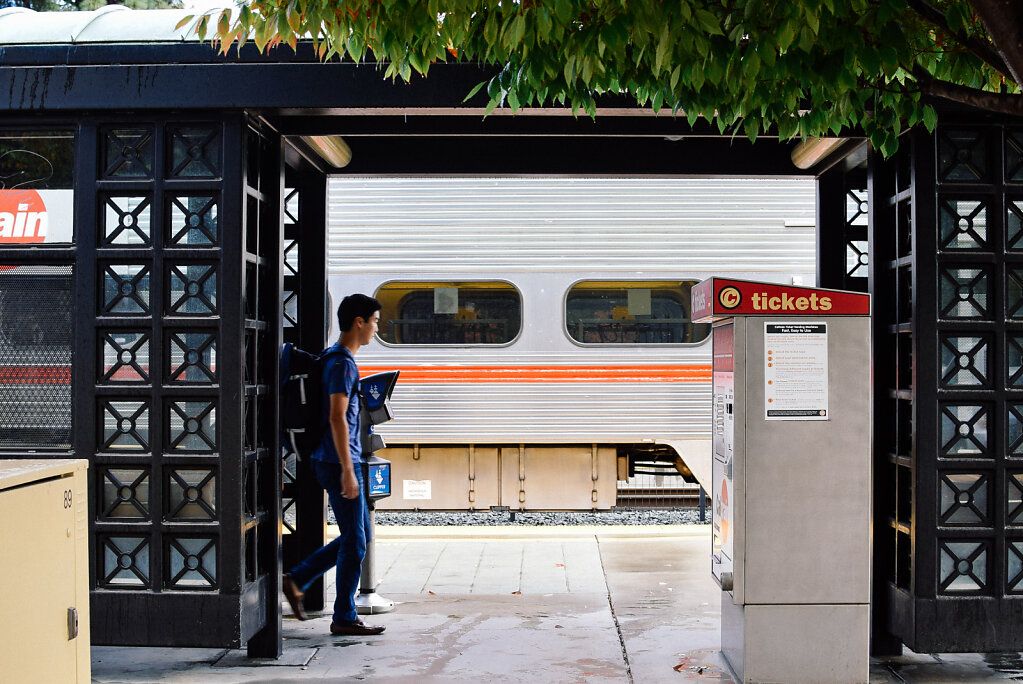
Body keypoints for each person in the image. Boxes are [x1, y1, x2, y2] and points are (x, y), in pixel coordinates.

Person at [282, 293, 386, 636]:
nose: (375, 328)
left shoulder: (333, 357)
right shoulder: (342, 363)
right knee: (356, 541)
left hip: (333, 458)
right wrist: (347, 468)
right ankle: (343, 616)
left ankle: (298, 579)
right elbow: (337, 417)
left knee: (359, 535)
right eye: (374, 321)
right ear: (358, 322)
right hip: (339, 460)